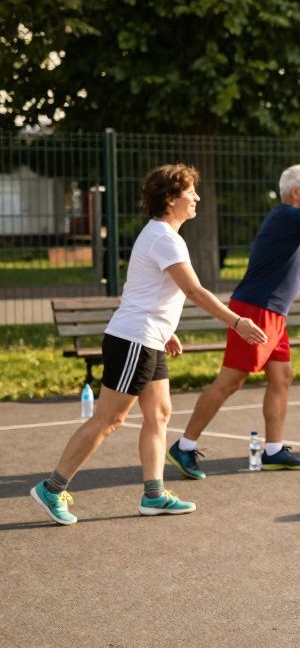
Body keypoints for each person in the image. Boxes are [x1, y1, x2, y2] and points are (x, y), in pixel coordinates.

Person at [30, 165, 268, 525]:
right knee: (109, 419)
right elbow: (193, 291)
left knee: (159, 414)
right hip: (133, 341)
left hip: (149, 338)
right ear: (171, 200)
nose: (197, 198)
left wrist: (165, 329)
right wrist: (236, 322)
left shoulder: (163, 235)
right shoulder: (164, 238)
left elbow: (144, 289)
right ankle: (52, 487)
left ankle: (153, 495)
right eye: (191, 193)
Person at [164, 141, 300, 478]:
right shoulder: (287, 215)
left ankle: (272, 450)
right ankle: (184, 446)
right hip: (255, 310)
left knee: (282, 376)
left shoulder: (293, 218)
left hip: (274, 315)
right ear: (295, 192)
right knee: (230, 381)